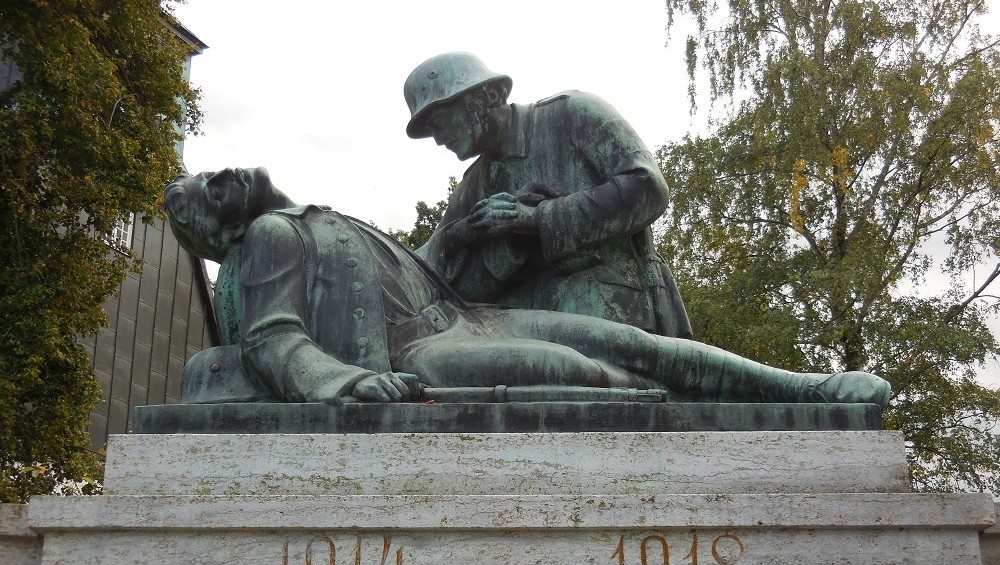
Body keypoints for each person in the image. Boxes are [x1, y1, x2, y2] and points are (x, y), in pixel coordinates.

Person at [163, 167, 890, 407]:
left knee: (638, 342)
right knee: (596, 374)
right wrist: (345, 384)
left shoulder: (319, 217)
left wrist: (458, 238)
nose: (220, 175)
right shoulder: (267, 239)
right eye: (206, 191)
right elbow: (273, 338)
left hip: (464, 315)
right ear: (214, 232)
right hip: (424, 357)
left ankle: (808, 390)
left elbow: (414, 273)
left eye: (211, 169)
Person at [404, 52, 691, 338]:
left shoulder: (572, 114)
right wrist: (463, 232)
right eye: (430, 131)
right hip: (522, 341)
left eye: (439, 122)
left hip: (609, 320)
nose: (439, 140)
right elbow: (423, 267)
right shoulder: (473, 184)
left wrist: (537, 218)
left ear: (486, 97)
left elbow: (647, 186)